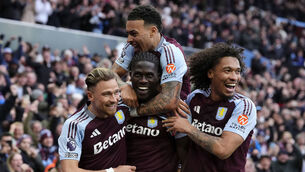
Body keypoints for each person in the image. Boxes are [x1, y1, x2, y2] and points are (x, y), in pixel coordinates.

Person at [163, 42, 257, 172]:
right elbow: (184, 146)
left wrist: (189, 128)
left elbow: (223, 149)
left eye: (237, 71)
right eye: (228, 70)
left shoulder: (243, 106)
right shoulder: (195, 98)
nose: (234, 77)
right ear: (210, 73)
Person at [112, 5, 190, 116]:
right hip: (143, 105)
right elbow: (111, 73)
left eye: (134, 33)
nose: (129, 39)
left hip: (170, 116)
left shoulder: (170, 51)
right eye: (128, 34)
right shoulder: (132, 46)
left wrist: (133, 112)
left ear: (153, 31)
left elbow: (168, 101)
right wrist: (123, 86)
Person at [58, 68, 136, 172]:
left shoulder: (122, 103)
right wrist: (113, 171)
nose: (114, 99)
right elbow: (69, 170)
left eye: (116, 92)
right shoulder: (75, 125)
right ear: (90, 96)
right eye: (106, 94)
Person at [126, 51, 186, 171]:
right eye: (138, 75)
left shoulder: (175, 108)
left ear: (159, 76)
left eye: (149, 75)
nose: (143, 80)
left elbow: (184, 154)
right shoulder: (119, 102)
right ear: (130, 75)